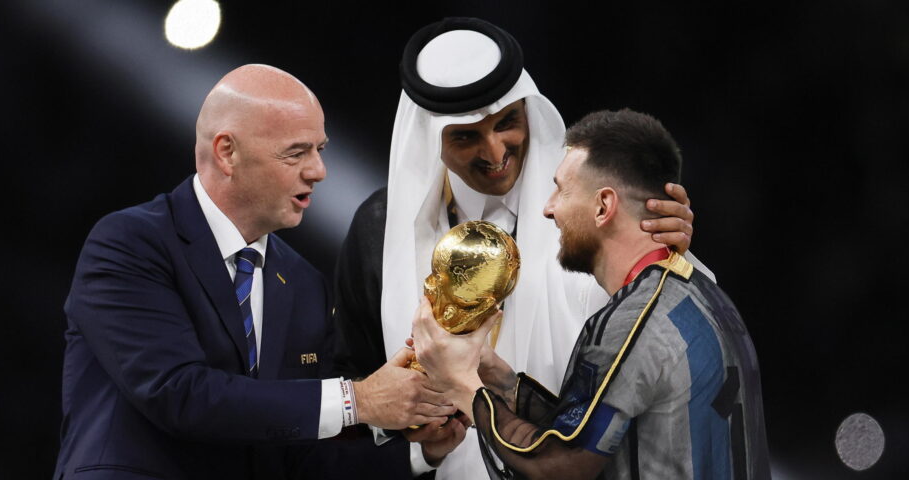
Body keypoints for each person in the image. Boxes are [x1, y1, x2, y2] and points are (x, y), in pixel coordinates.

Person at [331, 18, 708, 478]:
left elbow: (677, 350)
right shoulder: (379, 229)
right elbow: (356, 392)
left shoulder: (597, 207)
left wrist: (670, 260)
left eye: (507, 122)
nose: (495, 152)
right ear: (431, 139)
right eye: (466, 135)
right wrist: (411, 436)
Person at [54, 64, 455, 480]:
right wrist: (358, 399)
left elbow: (299, 455)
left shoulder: (303, 283)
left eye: (320, 149)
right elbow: (177, 393)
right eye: (296, 153)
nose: (318, 171)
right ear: (227, 152)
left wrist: (420, 453)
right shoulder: (131, 242)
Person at [412, 109, 770, 479]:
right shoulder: (703, 295)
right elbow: (589, 435)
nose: (549, 208)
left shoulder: (631, 321)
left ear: (603, 206)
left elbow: (559, 467)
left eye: (561, 190)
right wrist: (500, 381)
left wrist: (463, 385)